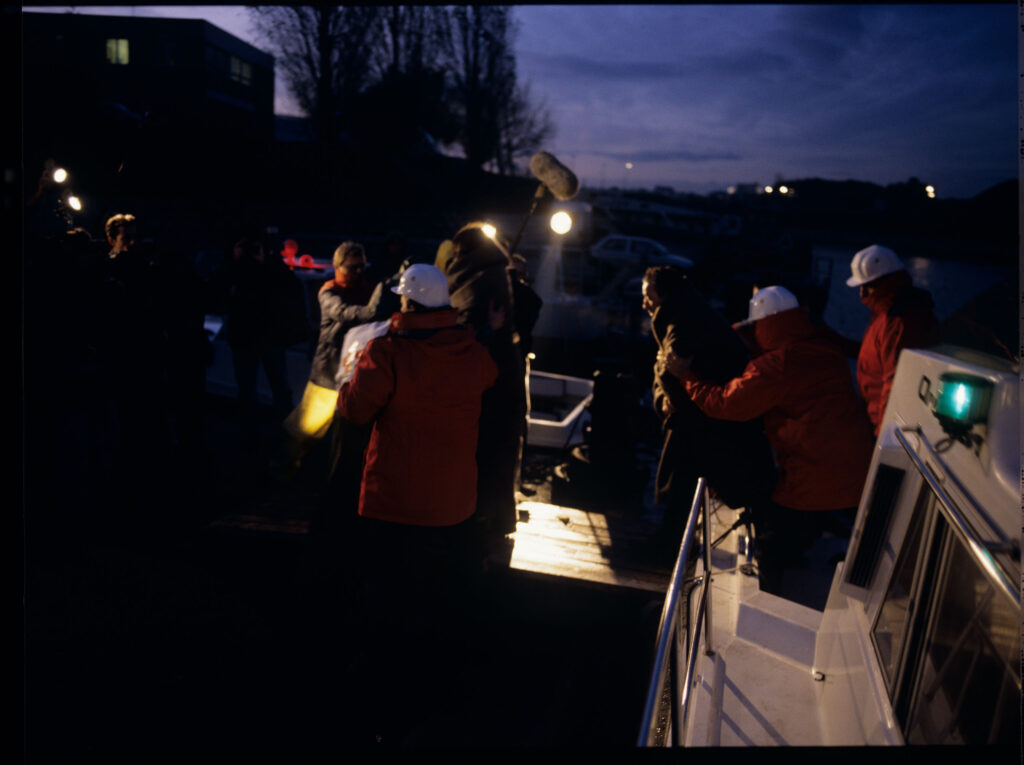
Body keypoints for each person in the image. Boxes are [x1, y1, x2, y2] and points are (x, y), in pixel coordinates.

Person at [663, 285, 873, 601]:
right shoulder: (826, 352)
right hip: (856, 480)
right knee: (794, 515)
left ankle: (771, 602)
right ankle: (806, 545)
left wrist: (685, 376)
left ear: (762, 325)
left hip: (813, 481)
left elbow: (726, 404)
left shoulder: (776, 365)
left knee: (770, 535)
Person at [642, 266, 775, 559]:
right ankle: (675, 541)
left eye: (647, 295)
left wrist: (670, 399)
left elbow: (670, 369)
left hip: (703, 420)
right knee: (685, 481)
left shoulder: (681, 319)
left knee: (683, 481)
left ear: (662, 293)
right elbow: (663, 368)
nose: (644, 302)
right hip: (703, 417)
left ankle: (670, 546)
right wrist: (664, 397)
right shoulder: (686, 311)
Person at [435, 222, 526, 566]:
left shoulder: (481, 277)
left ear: (463, 251)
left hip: (488, 385)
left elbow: (474, 329)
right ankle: (488, 518)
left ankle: (479, 521)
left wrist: (485, 332)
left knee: (484, 452)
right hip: (497, 380)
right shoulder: (492, 272)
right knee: (493, 453)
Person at [275, 241, 387, 480]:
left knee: (343, 429)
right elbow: (345, 313)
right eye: (352, 268)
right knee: (306, 426)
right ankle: (286, 465)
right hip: (328, 369)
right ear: (338, 266)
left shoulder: (366, 289)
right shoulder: (329, 292)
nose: (357, 272)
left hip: (353, 372)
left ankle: (327, 475)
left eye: (361, 267)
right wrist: (374, 305)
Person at [215, 231, 309, 455]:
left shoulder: (272, 268)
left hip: (267, 337)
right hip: (248, 338)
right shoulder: (234, 269)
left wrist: (264, 261)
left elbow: (290, 287)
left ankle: (285, 435)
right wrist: (236, 261)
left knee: (277, 388)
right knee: (249, 390)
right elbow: (218, 292)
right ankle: (252, 438)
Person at [846, 244, 938, 435]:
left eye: (867, 286)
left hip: (884, 426)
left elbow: (895, 384)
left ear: (886, 282)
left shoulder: (900, 321)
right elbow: (873, 353)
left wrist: (883, 435)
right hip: (875, 419)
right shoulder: (885, 312)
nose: (862, 294)